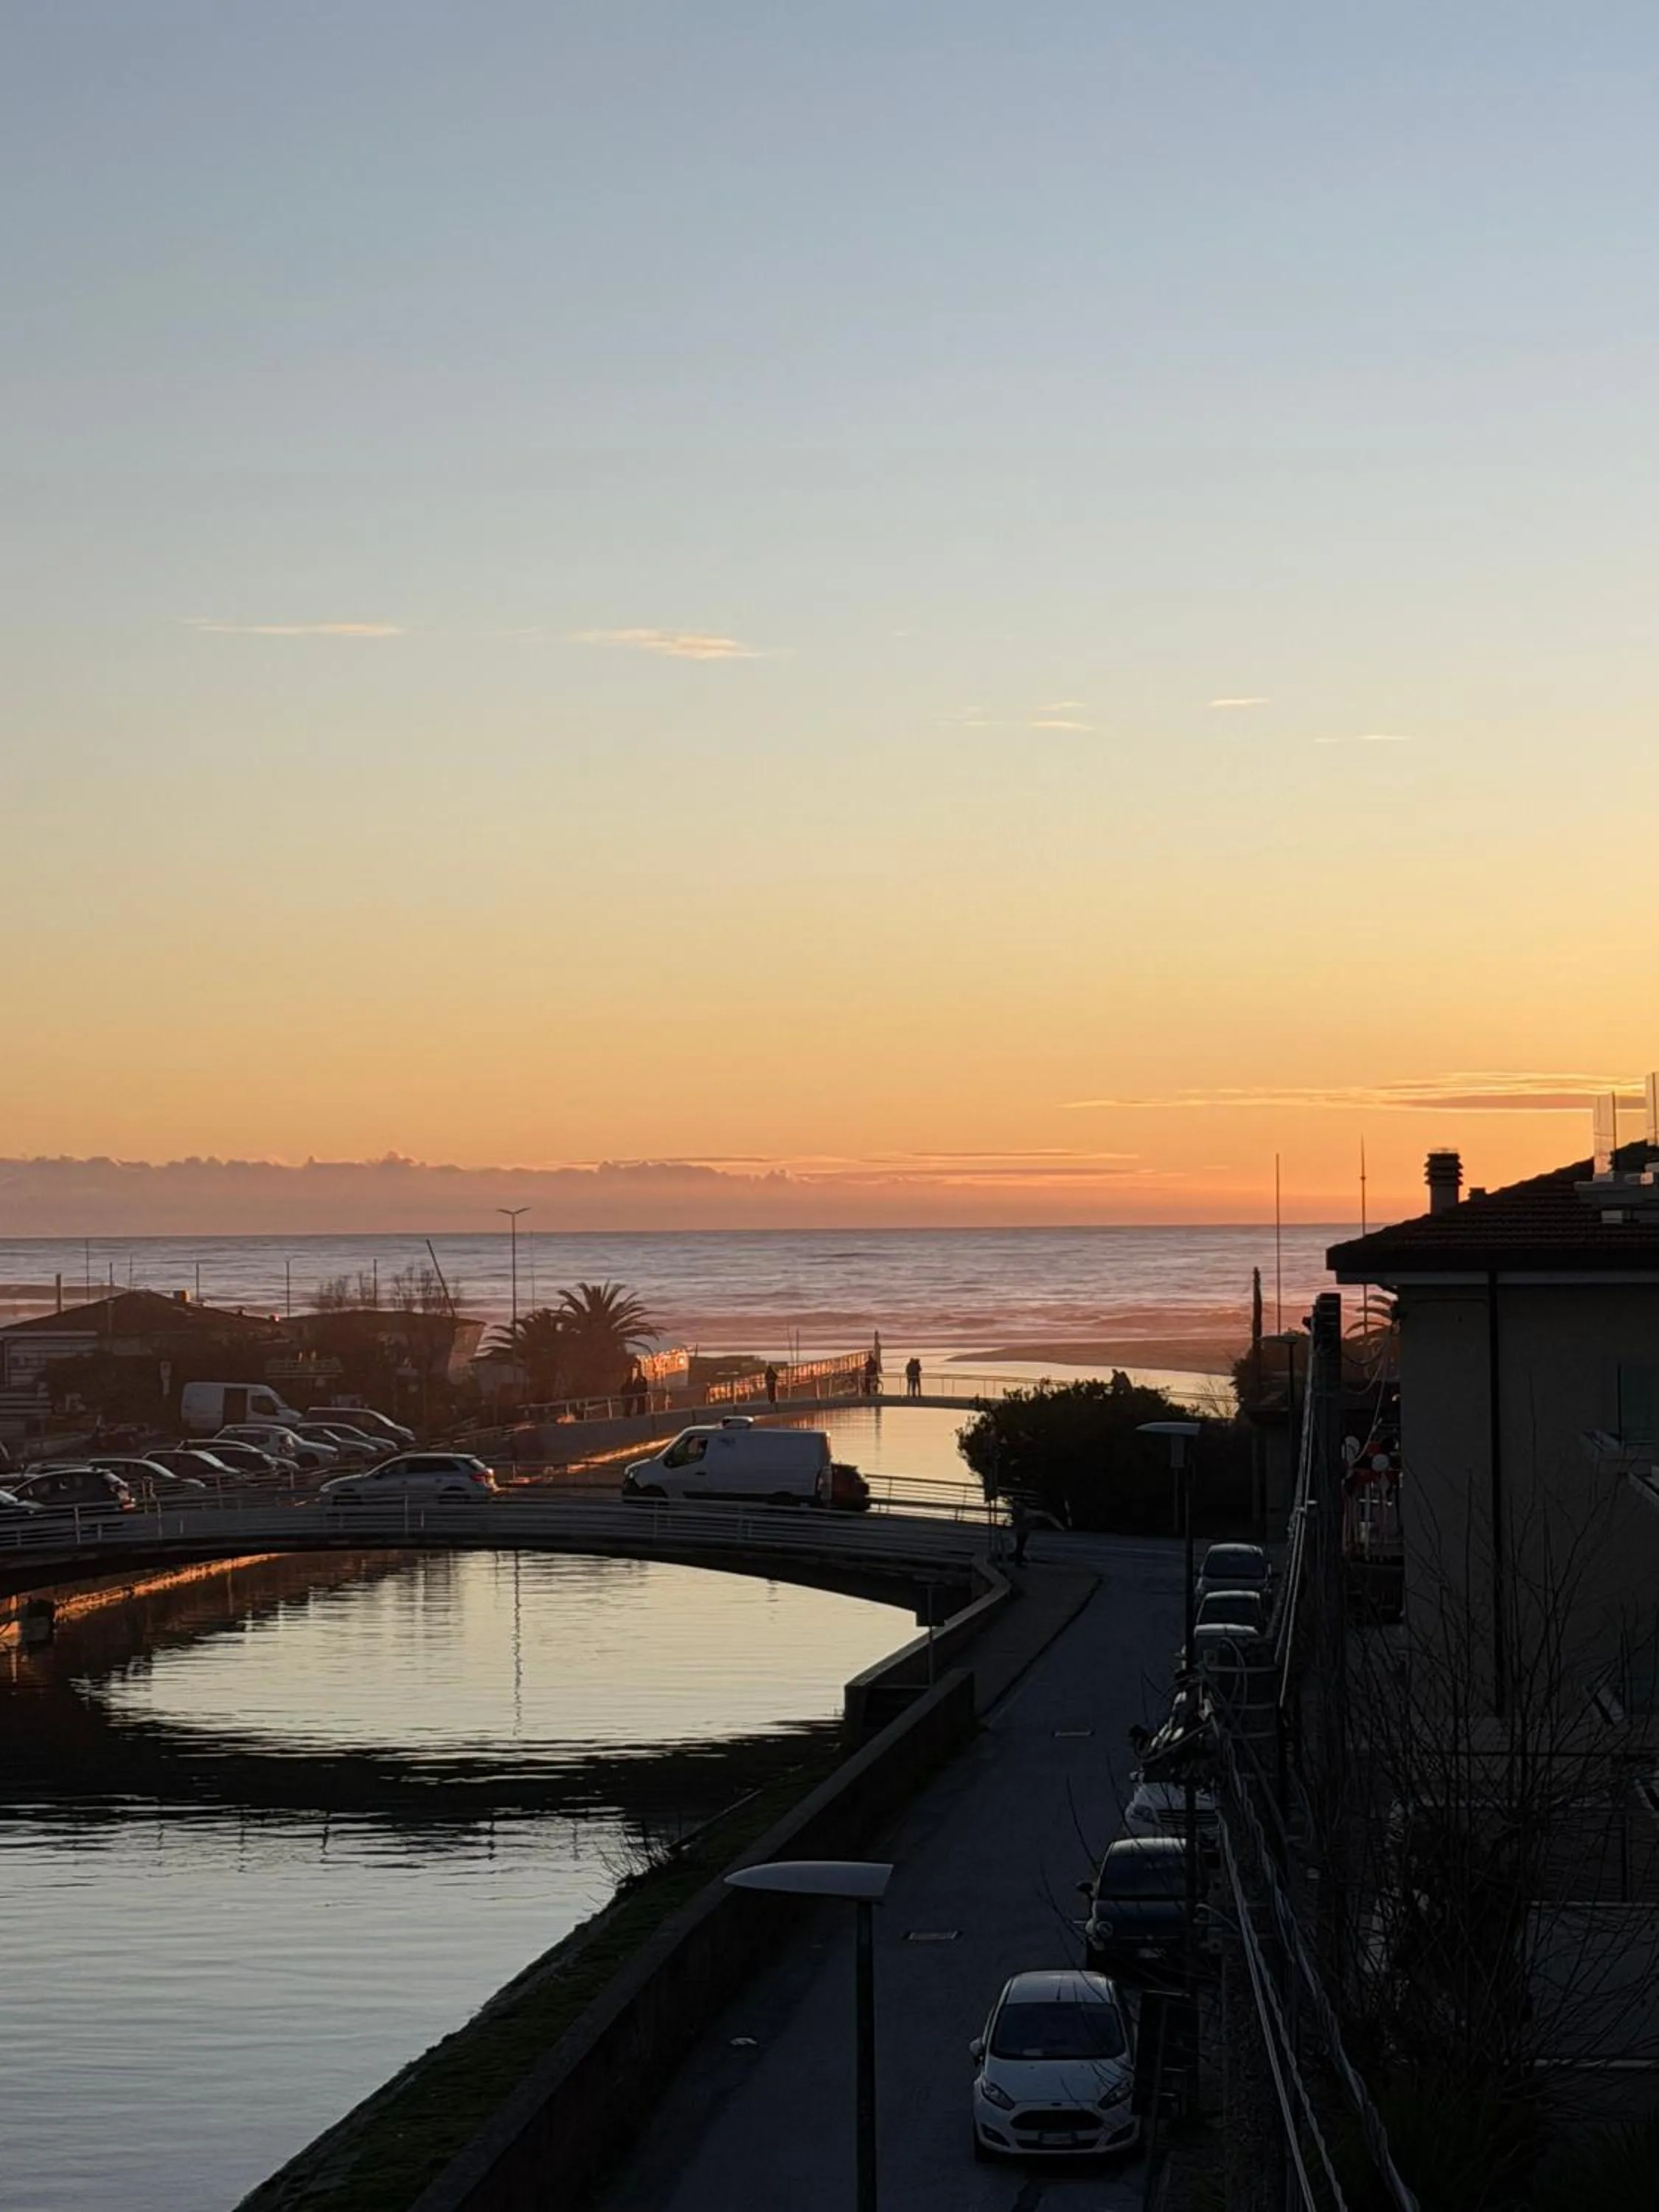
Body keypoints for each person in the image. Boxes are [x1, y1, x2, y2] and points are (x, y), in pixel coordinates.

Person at [1009, 1493, 1032, 1567]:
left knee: (1021, 1546)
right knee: (1020, 1546)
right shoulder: (1018, 1510)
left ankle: (1019, 1560)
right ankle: (1018, 1561)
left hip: (1023, 1530)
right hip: (1021, 1530)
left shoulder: (1018, 1510)